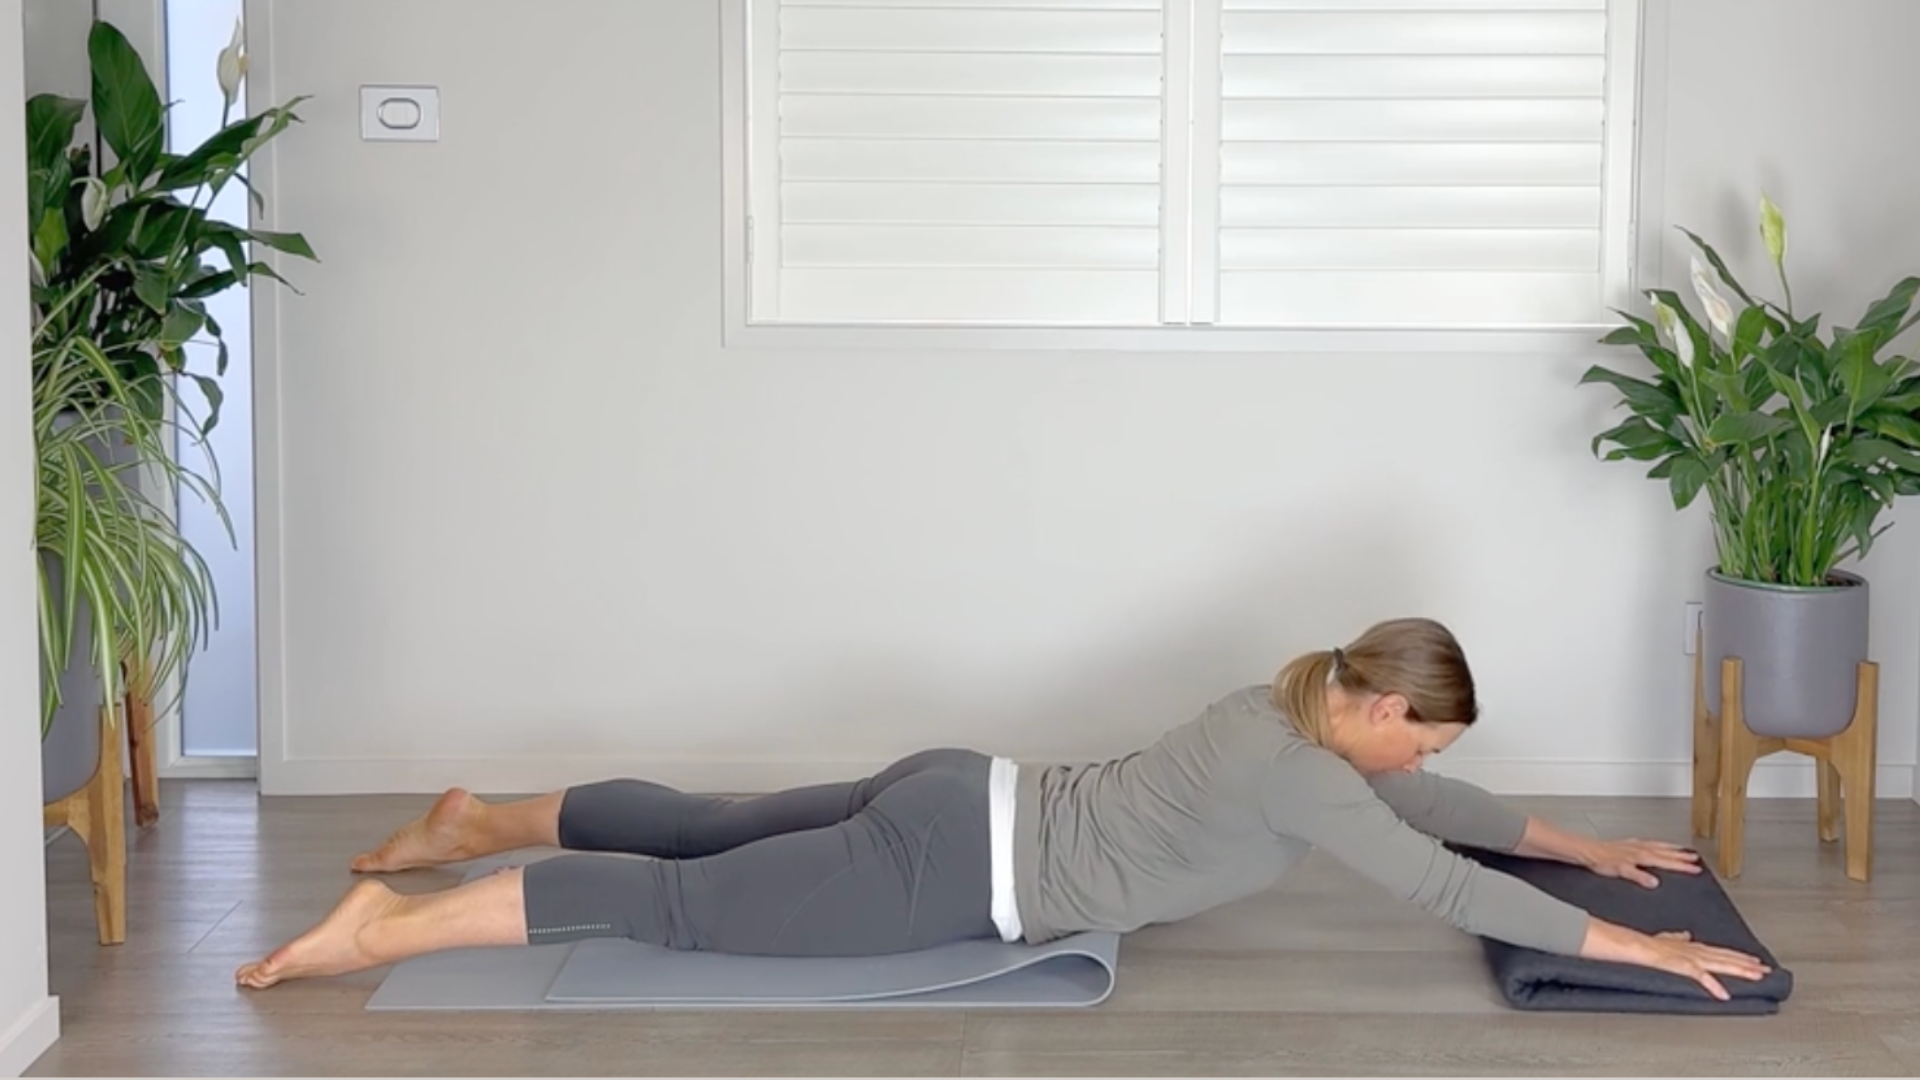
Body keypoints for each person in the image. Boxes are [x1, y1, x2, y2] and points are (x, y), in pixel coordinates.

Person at [234, 617, 1771, 1001]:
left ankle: (473, 817)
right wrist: (1641, 951)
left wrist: (1588, 846)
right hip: (956, 870)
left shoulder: (1283, 701)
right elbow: (1446, 885)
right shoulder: (1309, 773)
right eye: (1421, 741)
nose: (1423, 767)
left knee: (703, 822)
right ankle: (387, 929)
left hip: (960, 782)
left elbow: (1449, 824)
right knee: (685, 906)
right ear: (1377, 711)